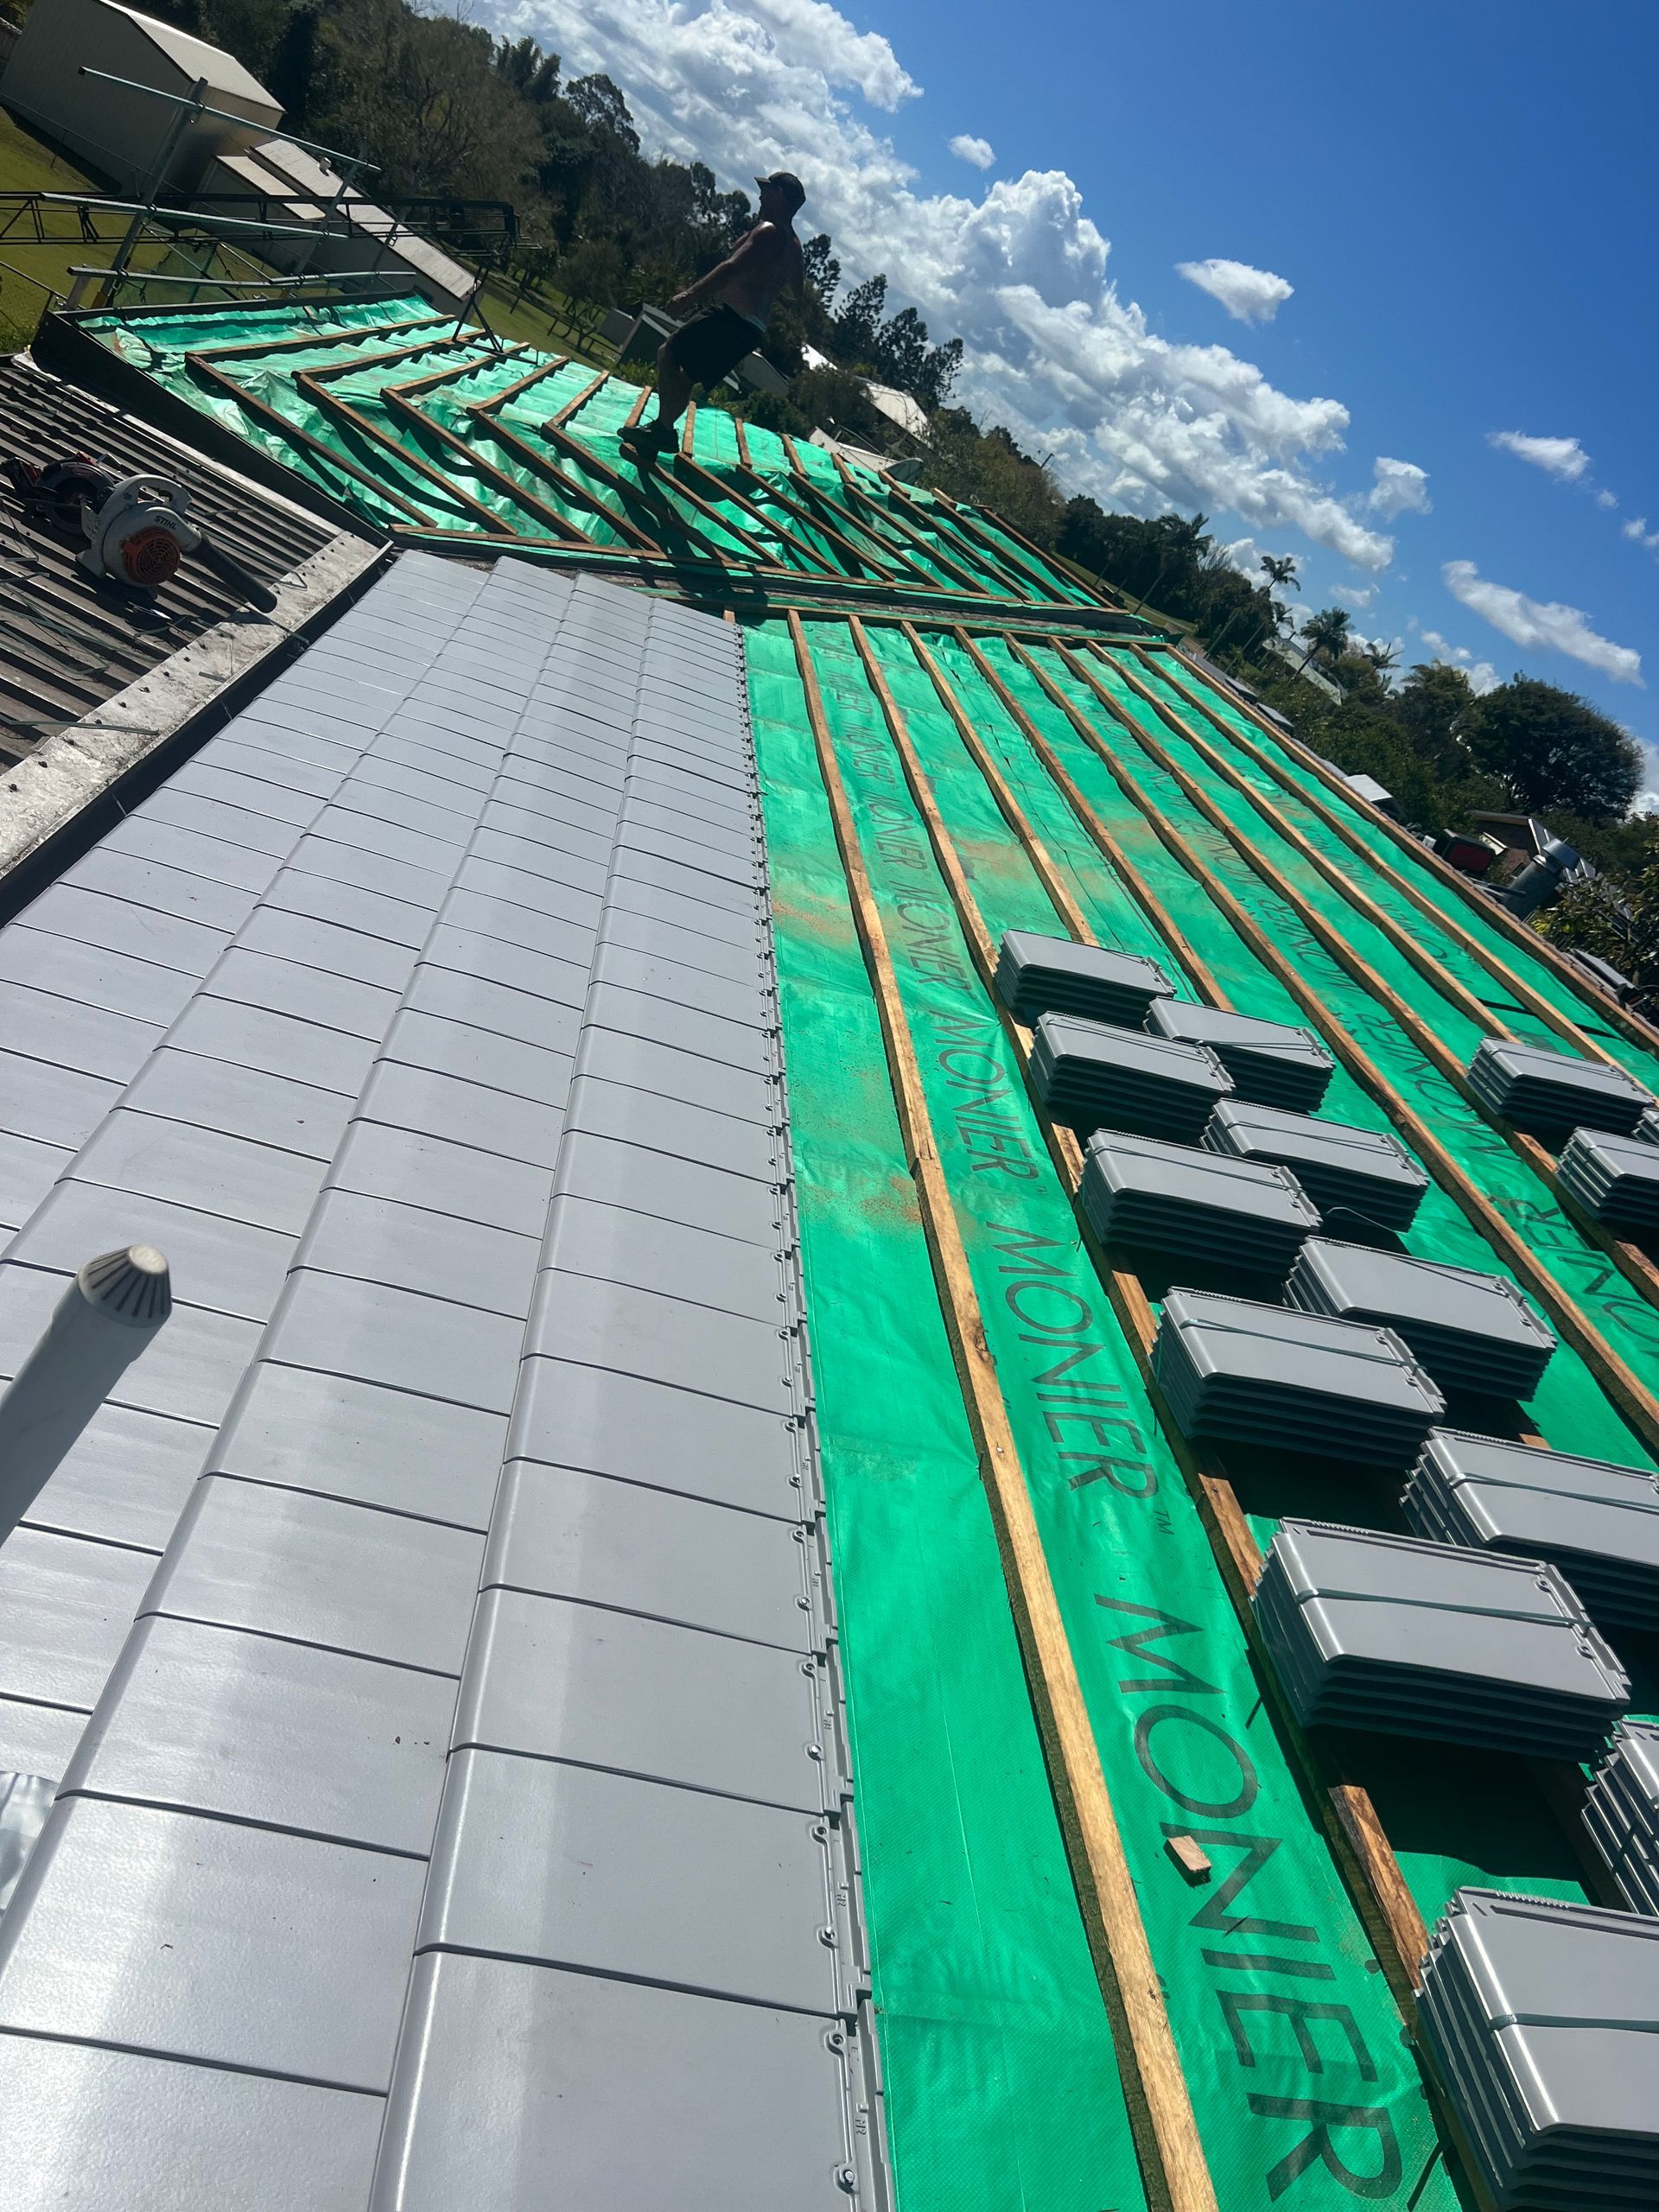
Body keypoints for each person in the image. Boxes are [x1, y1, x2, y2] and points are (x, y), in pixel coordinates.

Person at [620, 170, 805, 461]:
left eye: (767, 191)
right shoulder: (793, 246)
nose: (760, 195)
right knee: (686, 376)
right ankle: (656, 438)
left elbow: (731, 267)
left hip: (731, 317)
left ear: (780, 196)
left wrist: (689, 296)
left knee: (668, 351)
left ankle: (663, 430)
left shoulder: (768, 231)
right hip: (750, 329)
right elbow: (797, 292)